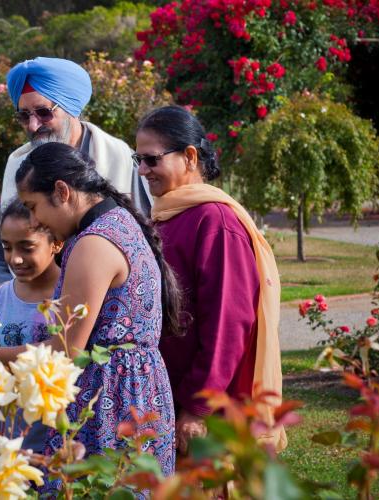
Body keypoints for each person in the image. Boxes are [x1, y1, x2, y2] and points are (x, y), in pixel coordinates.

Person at [0, 142, 180, 476]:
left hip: (111, 399)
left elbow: (65, 348)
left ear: (62, 192)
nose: (35, 220)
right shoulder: (117, 223)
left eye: (34, 207)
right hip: (137, 392)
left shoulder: (94, 243)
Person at [134, 105, 286, 453]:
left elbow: (228, 323)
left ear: (189, 157)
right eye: (137, 159)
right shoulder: (167, 215)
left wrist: (199, 406)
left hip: (205, 407)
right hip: (166, 394)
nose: (143, 170)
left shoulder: (215, 221)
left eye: (152, 159)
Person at [0, 56, 152, 289]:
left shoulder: (119, 158)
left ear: (71, 109)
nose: (33, 126)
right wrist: (5, 293)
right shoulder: (19, 164)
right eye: (24, 116)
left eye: (43, 112)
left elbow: (149, 238)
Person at [0, 199, 63, 453]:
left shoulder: (70, 296)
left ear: (56, 243)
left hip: (62, 442)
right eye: (7, 247)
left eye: (27, 248)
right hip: (10, 442)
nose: (15, 259)